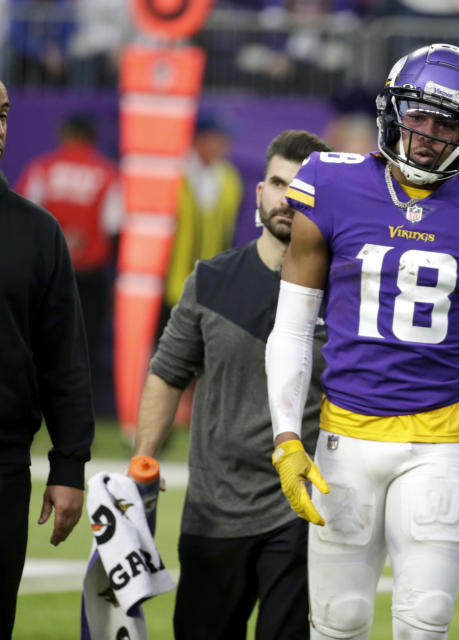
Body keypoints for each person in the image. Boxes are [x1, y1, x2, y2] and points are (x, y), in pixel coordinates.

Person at [265, 43, 459, 639]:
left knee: (428, 619)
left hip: (437, 442)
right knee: (339, 623)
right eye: (417, 114)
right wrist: (288, 438)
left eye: (448, 123)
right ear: (392, 110)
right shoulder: (329, 183)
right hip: (346, 435)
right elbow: (291, 325)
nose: (428, 133)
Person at [132, 129, 330, 639]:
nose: (288, 198)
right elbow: (167, 372)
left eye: (302, 187)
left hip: (301, 511)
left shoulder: (345, 291)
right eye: (277, 183)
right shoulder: (210, 280)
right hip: (213, 509)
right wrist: (143, 463)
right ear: (260, 191)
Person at [0, 79, 95, 638]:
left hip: (4, 467)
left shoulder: (38, 232)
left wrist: (69, 463)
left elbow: (64, 358)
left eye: (4, 113)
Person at [15, 112, 123, 415]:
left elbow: (21, 217)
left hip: (45, 271)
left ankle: (32, 408)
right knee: (83, 344)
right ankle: (74, 411)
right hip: (88, 274)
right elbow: (114, 227)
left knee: (37, 340)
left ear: (65, 133)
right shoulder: (106, 172)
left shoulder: (44, 168)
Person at [163, 110, 243, 320]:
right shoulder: (174, 173)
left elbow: (230, 233)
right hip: (169, 283)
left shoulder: (229, 178)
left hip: (210, 288)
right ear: (199, 139)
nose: (224, 145)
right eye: (218, 139)